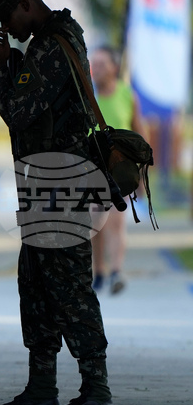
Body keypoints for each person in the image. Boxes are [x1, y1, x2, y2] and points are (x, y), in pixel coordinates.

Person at [0, 0, 116, 405]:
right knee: (37, 285)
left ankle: (97, 390)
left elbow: (17, 112)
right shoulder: (55, 39)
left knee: (69, 287)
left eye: (9, 18)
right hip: (47, 184)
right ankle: (41, 389)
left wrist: (2, 66)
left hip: (62, 185)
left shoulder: (50, 47)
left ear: (26, 4)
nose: (8, 29)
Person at [89, 46, 143, 295]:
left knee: (116, 222)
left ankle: (116, 272)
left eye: (102, 64)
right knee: (95, 222)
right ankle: (99, 270)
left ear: (114, 67)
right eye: (94, 64)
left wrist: (141, 171)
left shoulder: (127, 95)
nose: (97, 68)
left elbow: (138, 132)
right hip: (92, 168)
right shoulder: (86, 96)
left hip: (120, 170)